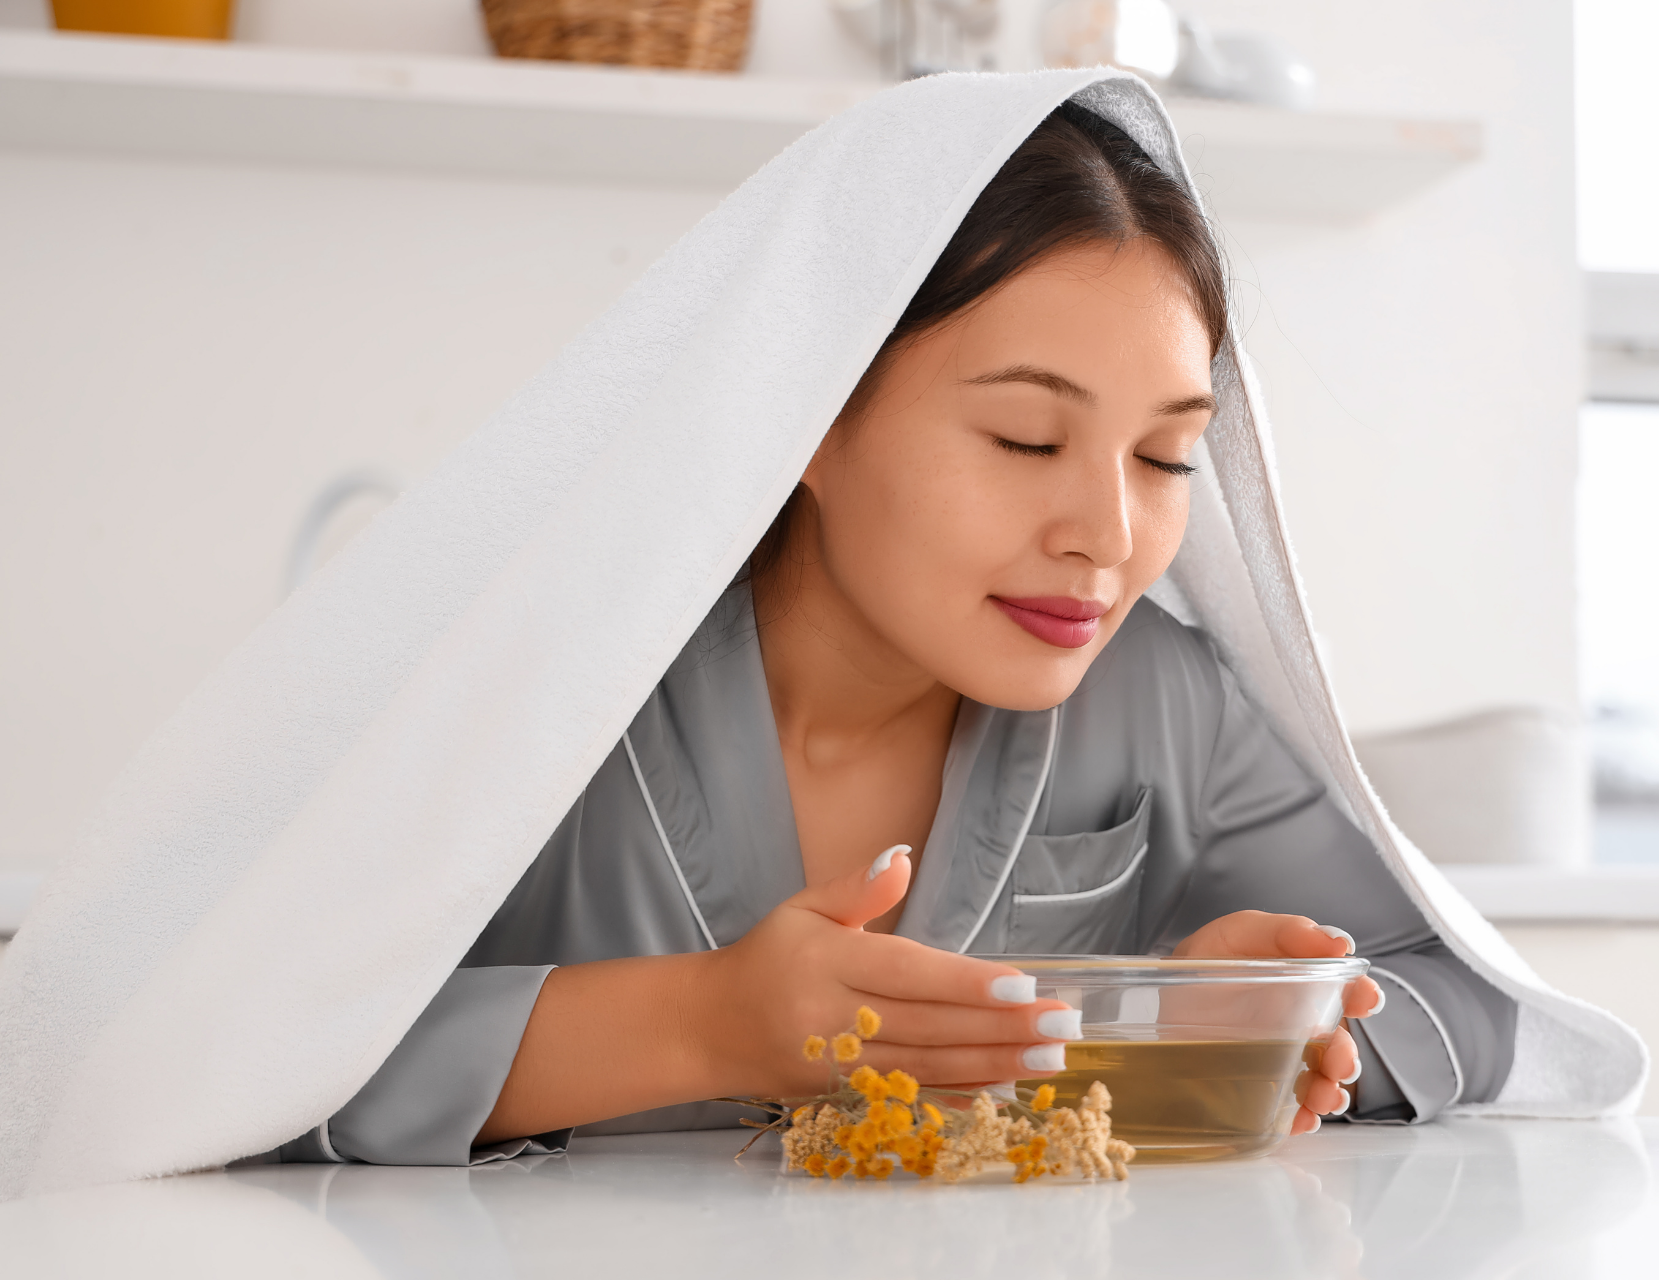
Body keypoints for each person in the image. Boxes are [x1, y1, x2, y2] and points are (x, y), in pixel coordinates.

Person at [253, 101, 1516, 1167]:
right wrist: (699, 1023)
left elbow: (1469, 990)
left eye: (1166, 455)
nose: (1108, 533)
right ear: (808, 414)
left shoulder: (1160, 701)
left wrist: (1208, 1017)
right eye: (1026, 437)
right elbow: (215, 1051)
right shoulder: (542, 689)